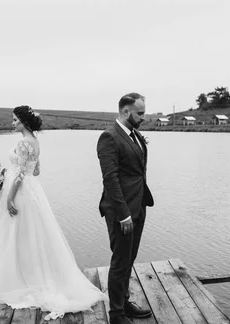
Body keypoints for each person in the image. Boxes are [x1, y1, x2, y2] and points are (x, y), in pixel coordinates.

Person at [0, 105, 107, 321]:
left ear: (24, 123)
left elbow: (19, 174)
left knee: (15, 234)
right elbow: (35, 171)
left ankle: (18, 279)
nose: (12, 123)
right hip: (32, 190)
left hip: (20, 192)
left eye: (15, 120)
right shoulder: (35, 142)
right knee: (30, 235)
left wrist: (9, 196)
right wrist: (9, 176)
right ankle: (30, 275)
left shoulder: (22, 142)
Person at [96, 93, 155, 324]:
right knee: (120, 261)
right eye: (140, 113)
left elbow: (135, 170)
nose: (143, 117)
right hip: (121, 211)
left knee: (129, 258)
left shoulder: (135, 135)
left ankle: (124, 301)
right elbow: (110, 179)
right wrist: (123, 215)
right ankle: (117, 315)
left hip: (138, 205)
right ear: (126, 112)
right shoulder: (108, 137)